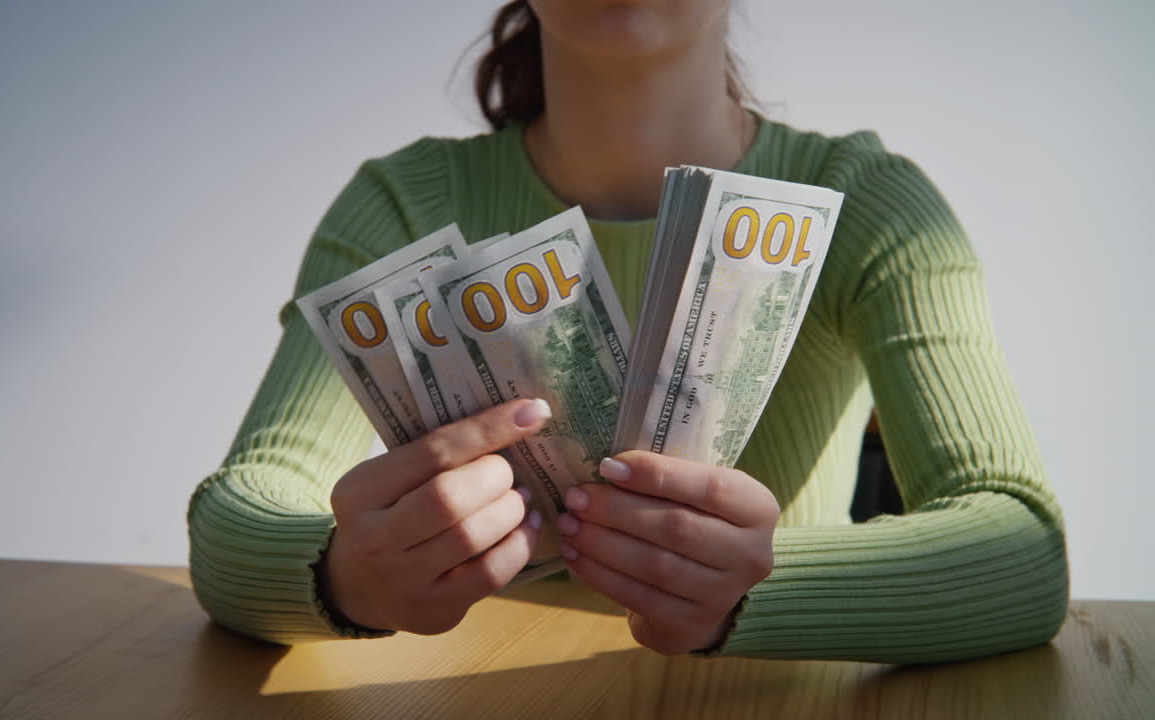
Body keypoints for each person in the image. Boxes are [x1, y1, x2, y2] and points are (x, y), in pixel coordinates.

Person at [187, 0, 1068, 661]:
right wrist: (344, 575)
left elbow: (1022, 550)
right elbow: (234, 520)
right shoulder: (399, 206)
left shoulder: (873, 205)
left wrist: (755, 590)